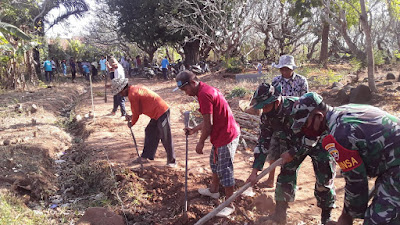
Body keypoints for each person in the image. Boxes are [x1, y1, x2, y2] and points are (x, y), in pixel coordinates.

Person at [291, 92, 400, 225]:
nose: (305, 130)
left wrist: (346, 218)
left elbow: (356, 180)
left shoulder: (340, 134)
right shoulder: (344, 110)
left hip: (395, 167)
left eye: (305, 125)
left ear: (318, 117)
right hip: (390, 164)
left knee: (378, 220)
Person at [245, 83, 336, 225]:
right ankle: (280, 215)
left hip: (318, 141)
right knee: (286, 175)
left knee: (324, 178)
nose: (263, 109)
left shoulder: (296, 108)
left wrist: (293, 152)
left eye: (265, 106)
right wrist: (254, 171)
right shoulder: (267, 117)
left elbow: (313, 133)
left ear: (276, 102)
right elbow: (263, 142)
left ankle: (326, 217)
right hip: (293, 146)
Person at [174, 70, 240, 217]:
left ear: (193, 83)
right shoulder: (203, 90)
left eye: (185, 89)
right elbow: (208, 121)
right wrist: (194, 129)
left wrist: (200, 142)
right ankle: (214, 190)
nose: (186, 93)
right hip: (220, 133)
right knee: (214, 162)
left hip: (226, 135)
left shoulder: (204, 94)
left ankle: (230, 204)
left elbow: (208, 125)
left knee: (225, 169)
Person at [261, 54, 309, 188]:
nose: (284, 72)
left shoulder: (301, 81)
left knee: (290, 153)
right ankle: (270, 179)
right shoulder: (276, 81)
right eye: (282, 69)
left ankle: (287, 182)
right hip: (278, 120)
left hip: (295, 121)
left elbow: (306, 102)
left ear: (292, 68)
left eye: (287, 69)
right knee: (273, 150)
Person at [111, 78, 176, 167]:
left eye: (120, 92)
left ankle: (172, 161)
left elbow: (136, 113)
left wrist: (132, 123)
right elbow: (138, 110)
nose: (120, 95)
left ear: (123, 89)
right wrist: (131, 116)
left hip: (162, 112)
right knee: (149, 131)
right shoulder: (134, 89)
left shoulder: (132, 94)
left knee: (165, 136)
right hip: (156, 114)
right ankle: (145, 156)